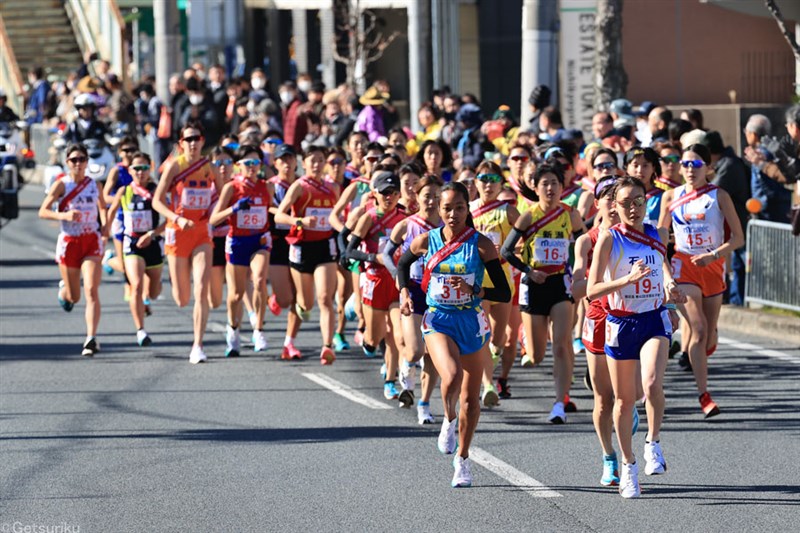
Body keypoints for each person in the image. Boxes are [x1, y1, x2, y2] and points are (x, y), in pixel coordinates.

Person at [396, 182, 511, 488]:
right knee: (450, 374)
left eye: (459, 207)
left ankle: (462, 458)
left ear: (467, 208)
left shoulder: (482, 244)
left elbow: (504, 290)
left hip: (470, 320)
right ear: (438, 210)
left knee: (471, 402)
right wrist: (404, 293)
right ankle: (448, 419)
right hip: (439, 318)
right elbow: (403, 264)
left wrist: (474, 289)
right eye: (447, 208)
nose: (453, 213)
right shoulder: (426, 240)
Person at [587, 175, 686, 499]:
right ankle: (627, 467)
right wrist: (625, 280)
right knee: (623, 400)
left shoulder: (656, 234)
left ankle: (652, 443)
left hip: (653, 318)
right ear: (614, 207)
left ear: (646, 202)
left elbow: (664, 266)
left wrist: (671, 285)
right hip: (621, 321)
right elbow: (592, 291)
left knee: (653, 382)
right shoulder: (609, 240)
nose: (633, 208)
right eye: (626, 203)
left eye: (639, 201)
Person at [658, 144, 744, 417]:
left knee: (707, 334)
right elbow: (659, 242)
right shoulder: (670, 196)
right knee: (696, 327)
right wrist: (667, 275)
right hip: (684, 265)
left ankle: (710, 336)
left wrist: (714, 255)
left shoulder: (719, 196)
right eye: (684, 164)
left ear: (708, 168)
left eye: (695, 165)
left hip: (713, 267)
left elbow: (738, 239)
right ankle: (704, 394)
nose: (688, 170)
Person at [500, 164, 585, 424]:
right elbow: (505, 251)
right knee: (536, 356)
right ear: (536, 188)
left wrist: (579, 268)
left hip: (559, 283)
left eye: (555, 183)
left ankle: (560, 402)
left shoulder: (571, 215)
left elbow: (584, 245)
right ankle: (526, 338)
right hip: (534, 284)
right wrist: (529, 270)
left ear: (562, 187)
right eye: (545, 183)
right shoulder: (528, 216)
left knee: (562, 345)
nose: (550, 188)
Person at [571, 175, 631, 487]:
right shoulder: (586, 241)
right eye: (604, 196)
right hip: (598, 320)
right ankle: (609, 456)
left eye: (615, 195)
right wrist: (600, 285)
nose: (610, 201)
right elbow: (579, 287)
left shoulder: (636, 237)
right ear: (597, 203)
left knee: (630, 393)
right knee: (604, 398)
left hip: (631, 317)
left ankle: (629, 411)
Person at [152, 121, 222, 364]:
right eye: (188, 140)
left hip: (202, 232)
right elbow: (157, 201)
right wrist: (176, 218)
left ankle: (198, 345)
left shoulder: (210, 168)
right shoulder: (174, 166)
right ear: (181, 144)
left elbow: (222, 197)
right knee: (182, 298)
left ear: (202, 141)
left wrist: (216, 215)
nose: (193, 143)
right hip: (177, 232)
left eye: (196, 138)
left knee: (201, 289)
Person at [382, 175, 443, 422]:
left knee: (433, 355)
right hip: (413, 290)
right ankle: (406, 366)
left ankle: (424, 404)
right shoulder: (407, 225)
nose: (432, 201)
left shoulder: (449, 227)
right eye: (427, 195)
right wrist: (400, 279)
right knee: (416, 350)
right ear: (417, 197)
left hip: (440, 293)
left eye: (437, 196)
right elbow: (386, 254)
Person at [38, 143, 107, 356]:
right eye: (74, 160)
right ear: (67, 163)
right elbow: (43, 211)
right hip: (69, 243)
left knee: (91, 290)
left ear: (87, 162)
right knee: (75, 296)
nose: (78, 164)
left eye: (82, 160)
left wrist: (104, 229)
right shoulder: (62, 185)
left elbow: (102, 206)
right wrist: (64, 216)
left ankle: (91, 338)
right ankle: (64, 292)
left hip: (90, 240)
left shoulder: (94, 185)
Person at [274, 146, 341, 364]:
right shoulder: (299, 187)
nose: (316, 164)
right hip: (302, 247)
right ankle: (290, 335)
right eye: (312, 160)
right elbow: (279, 216)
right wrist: (299, 221)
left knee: (325, 298)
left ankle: (327, 346)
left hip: (325, 246)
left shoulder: (333, 187)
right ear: (304, 163)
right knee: (305, 304)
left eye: (321, 160)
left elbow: (339, 214)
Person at [345, 171, 408, 399]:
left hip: (397, 281)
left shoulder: (405, 218)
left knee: (396, 336)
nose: (389, 198)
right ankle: (367, 337)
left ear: (399, 194)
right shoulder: (369, 218)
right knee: (375, 337)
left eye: (393, 193)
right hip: (374, 280)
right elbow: (349, 250)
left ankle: (392, 381)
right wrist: (374, 258)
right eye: (384, 193)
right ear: (375, 194)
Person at [210, 144, 274, 356]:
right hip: (238, 241)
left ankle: (259, 329)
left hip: (259, 240)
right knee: (236, 294)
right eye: (247, 163)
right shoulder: (231, 188)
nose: (252, 167)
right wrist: (234, 208)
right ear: (239, 166)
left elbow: (270, 208)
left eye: (256, 163)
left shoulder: (267, 187)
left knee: (259, 279)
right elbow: (214, 219)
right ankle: (233, 328)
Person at [469, 161, 520, 406]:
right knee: (483, 334)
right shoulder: (466, 210)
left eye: (492, 178)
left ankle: (493, 360)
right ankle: (488, 384)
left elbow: (525, 244)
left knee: (499, 339)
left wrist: (506, 251)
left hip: (501, 280)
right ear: (475, 182)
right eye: (483, 178)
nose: (488, 184)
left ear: (501, 182)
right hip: (476, 281)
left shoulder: (509, 211)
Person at [106, 152, 164, 346]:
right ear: (129, 171)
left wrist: (152, 234)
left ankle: (149, 295)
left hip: (153, 243)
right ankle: (140, 330)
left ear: (150, 169)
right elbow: (111, 211)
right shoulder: (124, 191)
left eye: (144, 168)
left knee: (154, 291)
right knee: (136, 285)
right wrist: (103, 232)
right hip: (132, 244)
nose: (140, 172)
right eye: (136, 168)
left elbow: (171, 217)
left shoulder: (156, 191)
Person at [267, 144, 303, 360]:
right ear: (275, 163)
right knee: (284, 298)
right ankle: (275, 298)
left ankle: (289, 342)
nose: (286, 164)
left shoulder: (302, 184)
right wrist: (284, 214)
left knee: (299, 297)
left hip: (299, 240)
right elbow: (267, 207)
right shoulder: (271, 186)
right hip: (278, 241)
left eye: (290, 159)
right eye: (282, 159)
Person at [101, 136, 140, 300]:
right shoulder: (117, 171)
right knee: (124, 263)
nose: (129, 154)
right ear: (119, 152)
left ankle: (133, 293)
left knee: (136, 259)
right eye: (125, 150)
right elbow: (104, 196)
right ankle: (109, 260)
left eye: (132, 150)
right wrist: (119, 198)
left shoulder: (140, 169)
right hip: (120, 219)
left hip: (138, 220)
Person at [208, 146, 236, 310]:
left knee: (237, 287)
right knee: (215, 301)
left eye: (227, 162)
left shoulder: (239, 187)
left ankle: (235, 326)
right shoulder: (207, 190)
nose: (223, 167)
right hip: (213, 242)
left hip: (234, 240)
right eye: (218, 163)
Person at [625, 147, 664, 227]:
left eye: (645, 165)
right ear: (627, 168)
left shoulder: (663, 197)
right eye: (635, 165)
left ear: (653, 168)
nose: (640, 170)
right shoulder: (620, 196)